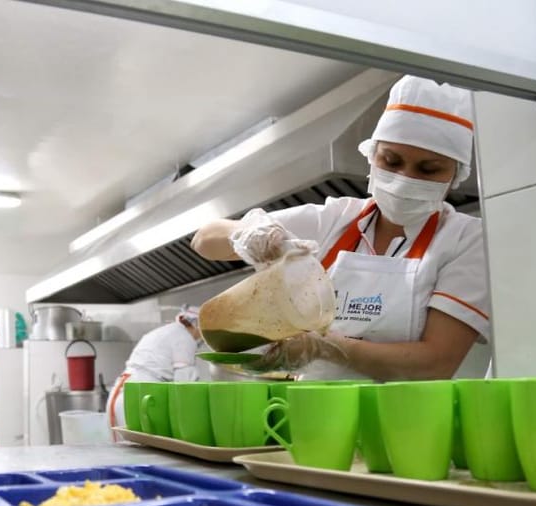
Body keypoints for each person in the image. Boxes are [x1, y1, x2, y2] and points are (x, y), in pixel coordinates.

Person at [191, 75, 490, 381]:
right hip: (314, 413)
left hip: (409, 423)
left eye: (428, 169)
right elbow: (205, 239)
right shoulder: (336, 217)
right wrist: (249, 234)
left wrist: (322, 347)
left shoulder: (466, 239)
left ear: (456, 175)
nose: (404, 177)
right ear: (372, 157)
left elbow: (435, 364)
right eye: (391, 160)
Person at [106, 306, 202, 427]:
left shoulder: (166, 332)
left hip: (123, 392)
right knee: (137, 444)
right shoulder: (185, 338)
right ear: (196, 324)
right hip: (143, 398)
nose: (202, 337)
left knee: (123, 445)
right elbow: (184, 385)